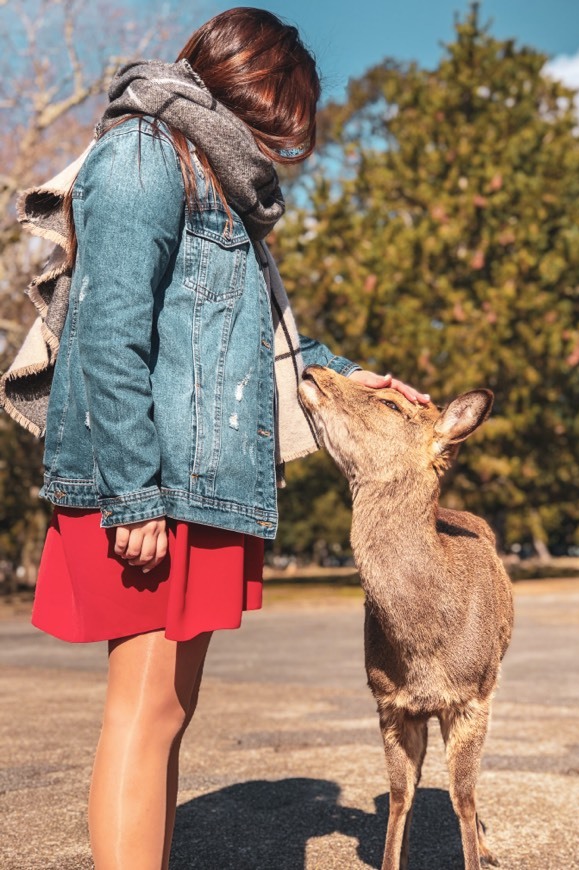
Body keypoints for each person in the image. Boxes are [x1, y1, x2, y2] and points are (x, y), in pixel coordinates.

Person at [16, 8, 429, 868]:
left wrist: (357, 378)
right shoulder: (143, 156)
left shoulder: (216, 178)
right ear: (249, 88)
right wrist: (134, 494)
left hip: (192, 480)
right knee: (143, 709)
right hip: (149, 485)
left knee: (166, 711)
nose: (285, 144)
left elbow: (254, 342)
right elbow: (108, 334)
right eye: (283, 116)